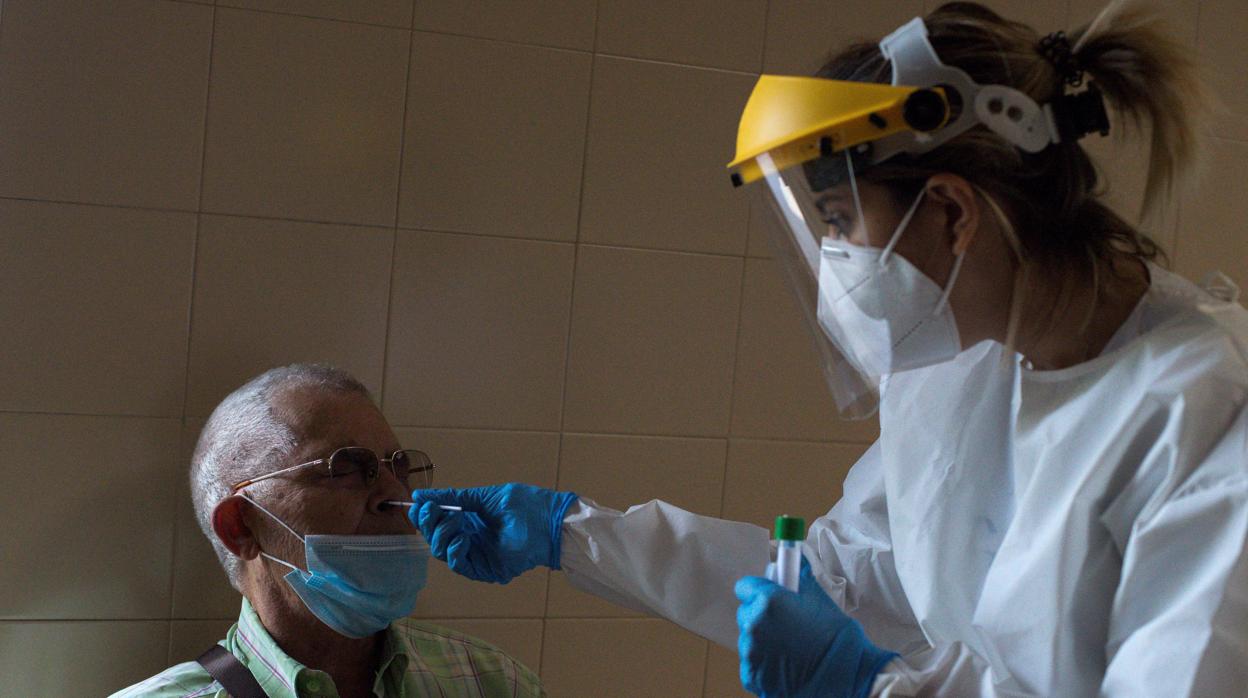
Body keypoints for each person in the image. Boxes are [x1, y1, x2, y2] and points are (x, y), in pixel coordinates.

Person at [407, 3, 1248, 697]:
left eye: (841, 225)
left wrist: (867, 685)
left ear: (954, 212)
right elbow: (842, 583)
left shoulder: (1208, 416)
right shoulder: (965, 369)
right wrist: (575, 535)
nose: (834, 263)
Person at [112, 364, 545, 698]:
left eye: (400, 468)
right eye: (349, 468)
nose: (399, 498)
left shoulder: (490, 683)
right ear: (240, 526)